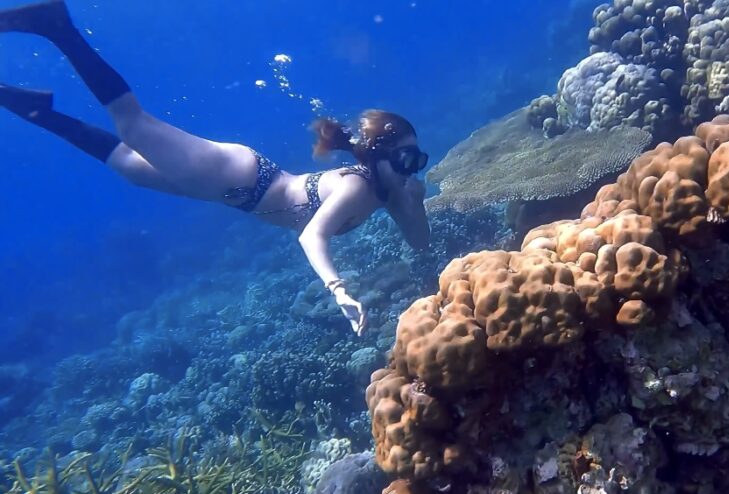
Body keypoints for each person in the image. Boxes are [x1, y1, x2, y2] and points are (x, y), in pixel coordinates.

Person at [0, 0, 430, 335]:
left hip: (238, 191)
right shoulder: (358, 188)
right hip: (239, 177)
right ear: (378, 158)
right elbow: (311, 235)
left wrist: (415, 203)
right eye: (406, 159)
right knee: (133, 124)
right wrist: (338, 291)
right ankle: (60, 28)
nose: (412, 168)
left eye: (417, 160)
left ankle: (40, 111)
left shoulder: (390, 192)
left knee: (130, 167)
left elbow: (419, 243)